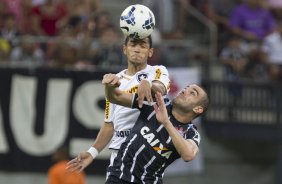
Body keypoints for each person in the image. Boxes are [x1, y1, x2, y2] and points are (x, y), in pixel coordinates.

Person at [67, 36, 170, 176]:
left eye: (143, 45)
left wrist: (149, 83)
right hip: (119, 156)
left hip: (147, 154)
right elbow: (109, 125)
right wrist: (92, 152)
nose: (137, 49)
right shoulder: (115, 81)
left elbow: (161, 88)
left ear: (150, 52)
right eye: (133, 44)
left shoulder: (157, 71)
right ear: (124, 49)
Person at [101, 74, 209, 183]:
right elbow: (115, 97)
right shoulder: (157, 103)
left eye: (192, 93)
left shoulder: (191, 133)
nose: (184, 91)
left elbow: (188, 155)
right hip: (118, 177)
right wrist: (111, 86)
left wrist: (166, 123)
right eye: (186, 88)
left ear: (198, 109)